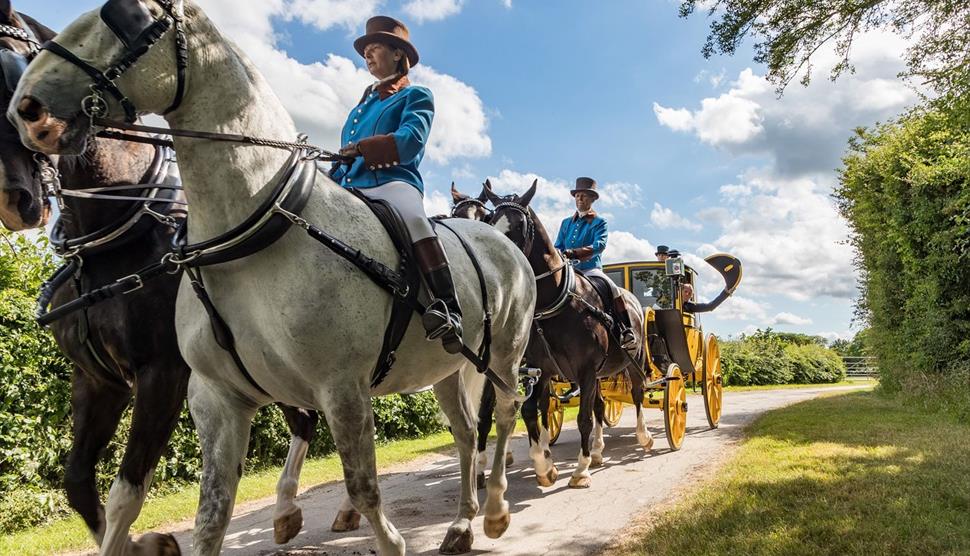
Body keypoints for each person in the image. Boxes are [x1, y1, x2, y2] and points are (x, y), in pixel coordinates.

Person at [330, 16, 462, 353]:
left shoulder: (416, 95)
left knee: (415, 219)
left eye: (374, 49)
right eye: (365, 51)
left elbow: (410, 143)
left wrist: (364, 148)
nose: (367, 56)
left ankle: (448, 307)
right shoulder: (362, 106)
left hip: (392, 183)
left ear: (398, 55)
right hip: (350, 185)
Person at [554, 177, 637, 350]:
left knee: (613, 288)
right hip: (569, 270)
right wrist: (559, 254)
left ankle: (626, 330)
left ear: (592, 199)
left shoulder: (600, 222)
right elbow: (558, 245)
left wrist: (575, 253)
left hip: (591, 269)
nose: (579, 199)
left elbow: (600, 245)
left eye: (584, 196)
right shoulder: (566, 223)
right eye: (577, 196)